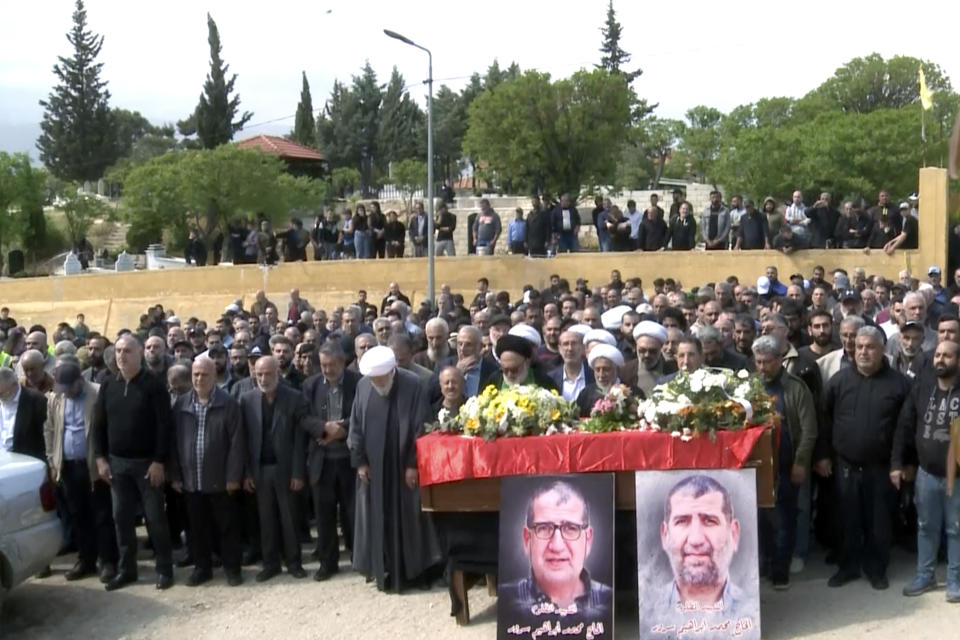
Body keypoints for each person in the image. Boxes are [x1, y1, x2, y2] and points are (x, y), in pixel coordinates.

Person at [820, 326, 910, 590]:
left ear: (882, 350)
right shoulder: (838, 381)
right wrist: (823, 456)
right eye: (859, 346)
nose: (863, 352)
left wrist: (904, 464)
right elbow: (824, 421)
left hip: (883, 468)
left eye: (870, 347)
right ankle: (848, 567)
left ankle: (876, 569)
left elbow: (905, 428)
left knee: (879, 523)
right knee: (847, 520)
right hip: (845, 466)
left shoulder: (899, 384)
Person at [348, 346, 441, 591]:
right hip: (374, 470)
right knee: (377, 519)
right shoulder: (363, 386)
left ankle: (414, 572)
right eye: (373, 380)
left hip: (404, 468)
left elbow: (422, 426)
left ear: (392, 372)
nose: (378, 384)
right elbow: (355, 427)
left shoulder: (413, 384)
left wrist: (413, 464)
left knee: (411, 520)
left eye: (381, 379)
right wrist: (360, 462)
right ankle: (383, 570)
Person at [92, 334, 175, 591]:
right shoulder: (108, 384)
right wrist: (100, 459)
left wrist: (159, 461)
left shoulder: (153, 385)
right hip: (117, 465)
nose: (121, 355)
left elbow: (165, 427)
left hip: (147, 466)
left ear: (139, 353)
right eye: (118, 351)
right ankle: (127, 570)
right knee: (121, 518)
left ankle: (165, 570)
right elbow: (98, 425)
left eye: (127, 350)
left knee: (155, 519)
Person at [892, 340, 960, 603]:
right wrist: (897, 463)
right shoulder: (922, 387)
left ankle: (955, 580)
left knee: (956, 529)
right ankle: (925, 574)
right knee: (925, 526)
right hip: (927, 474)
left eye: (947, 356)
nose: (940, 359)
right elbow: (904, 425)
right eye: (938, 355)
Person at [644, 474, 757, 632]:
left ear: (734, 534)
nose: (696, 539)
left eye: (709, 521)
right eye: (682, 521)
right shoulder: (648, 613)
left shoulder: (750, 610)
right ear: (665, 535)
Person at [169, 356, 246, 587]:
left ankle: (233, 569)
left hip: (220, 480)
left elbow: (237, 443)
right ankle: (202, 569)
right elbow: (173, 443)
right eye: (195, 374)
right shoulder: (181, 405)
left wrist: (233, 476)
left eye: (204, 374)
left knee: (227, 527)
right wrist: (175, 475)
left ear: (214, 376)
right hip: (191, 480)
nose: (199, 379)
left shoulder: (228, 403)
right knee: (196, 529)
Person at [498, 481, 612, 628]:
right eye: (544, 528)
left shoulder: (610, 601)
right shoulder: (505, 601)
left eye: (571, 528)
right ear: (527, 539)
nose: (557, 546)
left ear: (588, 540)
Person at [752, 336, 817, 590]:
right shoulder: (751, 387)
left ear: (779, 360)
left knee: (786, 516)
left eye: (767, 362)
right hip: (759, 464)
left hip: (787, 461)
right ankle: (766, 563)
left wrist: (801, 463)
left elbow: (809, 429)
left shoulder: (795, 387)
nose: (763, 367)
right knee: (761, 517)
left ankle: (781, 569)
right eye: (758, 362)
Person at [43, 362, 118, 583]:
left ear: (80, 381)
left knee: (102, 515)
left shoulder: (97, 393)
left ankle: (107, 560)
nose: (65, 393)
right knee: (78, 515)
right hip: (67, 465)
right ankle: (86, 559)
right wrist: (52, 460)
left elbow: (107, 428)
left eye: (69, 387)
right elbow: (49, 429)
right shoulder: (56, 398)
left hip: (94, 466)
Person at [240, 355, 311, 582]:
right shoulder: (247, 400)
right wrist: (247, 473)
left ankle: (294, 562)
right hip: (260, 470)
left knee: (289, 518)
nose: (263, 378)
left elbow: (300, 441)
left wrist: (298, 473)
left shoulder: (294, 398)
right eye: (259, 374)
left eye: (268, 374)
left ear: (277, 374)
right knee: (266, 520)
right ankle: (270, 563)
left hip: (286, 470)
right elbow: (243, 440)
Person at [302, 342, 360, 581]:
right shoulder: (310, 385)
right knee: (324, 515)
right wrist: (324, 428)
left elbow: (362, 413)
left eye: (332, 365)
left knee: (352, 513)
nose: (327, 369)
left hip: (348, 460)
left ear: (342, 362)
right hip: (322, 461)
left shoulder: (358, 383)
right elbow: (304, 417)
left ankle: (359, 558)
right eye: (323, 365)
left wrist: (343, 429)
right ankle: (328, 563)